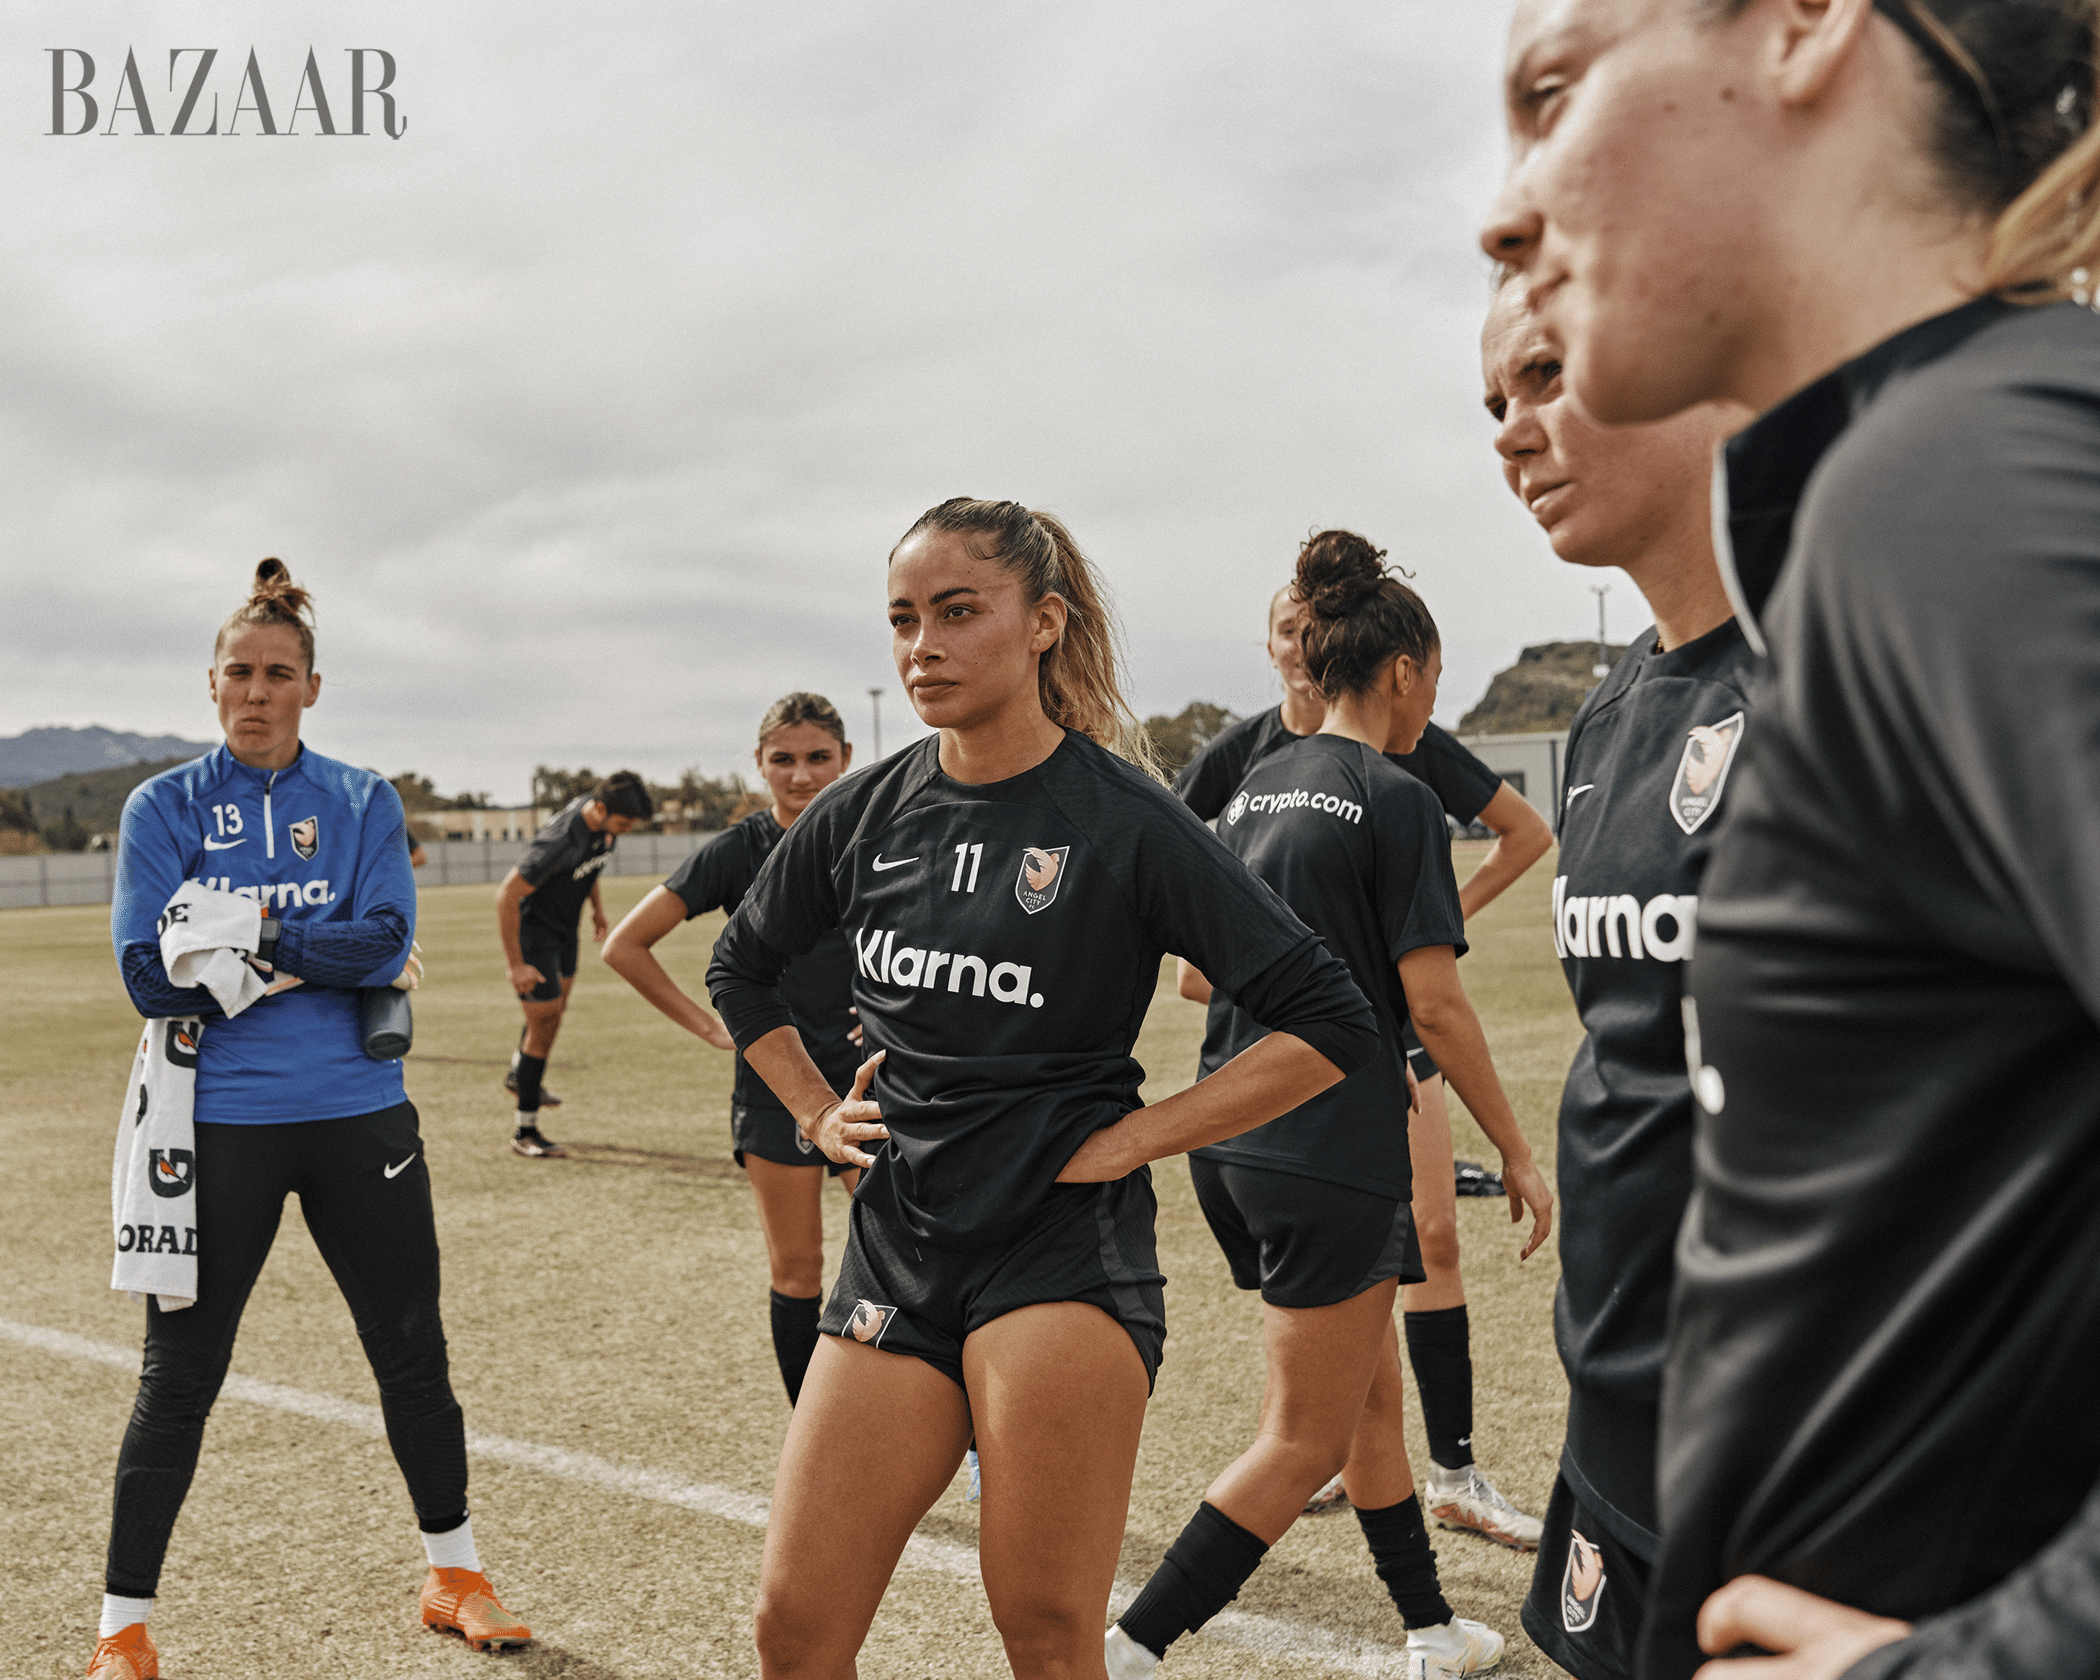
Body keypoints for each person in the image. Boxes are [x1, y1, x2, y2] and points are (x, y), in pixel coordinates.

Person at [1484, 2, 2100, 1675]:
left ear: (1810, 28)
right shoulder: (1896, 495)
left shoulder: (1963, 470)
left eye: (1551, 92)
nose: (1503, 206)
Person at [705, 497, 1381, 1679]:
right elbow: (741, 968)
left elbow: (1328, 1021)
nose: (925, 644)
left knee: (1045, 1627)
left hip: (1058, 1258)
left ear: (1043, 625)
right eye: (906, 618)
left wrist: (1136, 1139)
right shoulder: (868, 810)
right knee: (794, 1628)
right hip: (899, 1246)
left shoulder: (1123, 820)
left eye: (961, 612)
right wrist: (816, 1111)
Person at [1108, 533, 1553, 1680]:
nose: (1429, 706)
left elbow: (1199, 974)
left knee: (1361, 1394)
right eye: (1436, 683)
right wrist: (1515, 1147)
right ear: (1402, 670)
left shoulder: (1258, 785)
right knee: (1302, 1436)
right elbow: (1438, 1011)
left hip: (1238, 1139)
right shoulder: (1395, 795)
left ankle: (1426, 1627)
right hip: (1329, 1144)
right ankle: (1131, 1647)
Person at [89, 560, 527, 1680]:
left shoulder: (361, 799)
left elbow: (382, 942)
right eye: (238, 671)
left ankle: (457, 1576)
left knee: (411, 1356)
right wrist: (303, 946)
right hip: (217, 1123)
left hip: (359, 1117)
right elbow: (151, 975)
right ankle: (122, 1633)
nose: (256, 691)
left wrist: (246, 938)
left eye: (278, 673)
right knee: (178, 1377)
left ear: (311, 688)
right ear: (211, 682)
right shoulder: (164, 808)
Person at [1481, 278, 1755, 1678]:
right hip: (1616, 1414)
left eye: (1545, 377)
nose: (1512, 432)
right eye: (1495, 405)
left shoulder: (1871, 663)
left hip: (1806, 1458)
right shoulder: (1605, 716)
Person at [603, 693, 862, 1406]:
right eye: (784, 760)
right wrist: (710, 1025)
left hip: (869, 1085)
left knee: (906, 1262)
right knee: (800, 1273)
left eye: (818, 758)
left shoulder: (874, 834)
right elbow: (624, 945)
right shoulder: (738, 850)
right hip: (776, 1090)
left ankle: (930, 1428)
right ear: (759, 765)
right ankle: (811, 1439)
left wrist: (893, 1012)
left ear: (845, 760)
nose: (802, 775)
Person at [495, 770, 652, 1157]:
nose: (626, 831)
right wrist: (516, 965)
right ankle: (525, 1131)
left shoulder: (602, 822)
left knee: (553, 1012)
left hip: (566, 931)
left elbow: (590, 864)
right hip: (536, 936)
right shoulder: (559, 841)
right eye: (623, 824)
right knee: (545, 1022)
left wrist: (597, 910)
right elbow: (507, 896)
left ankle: (521, 1074)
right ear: (599, 809)